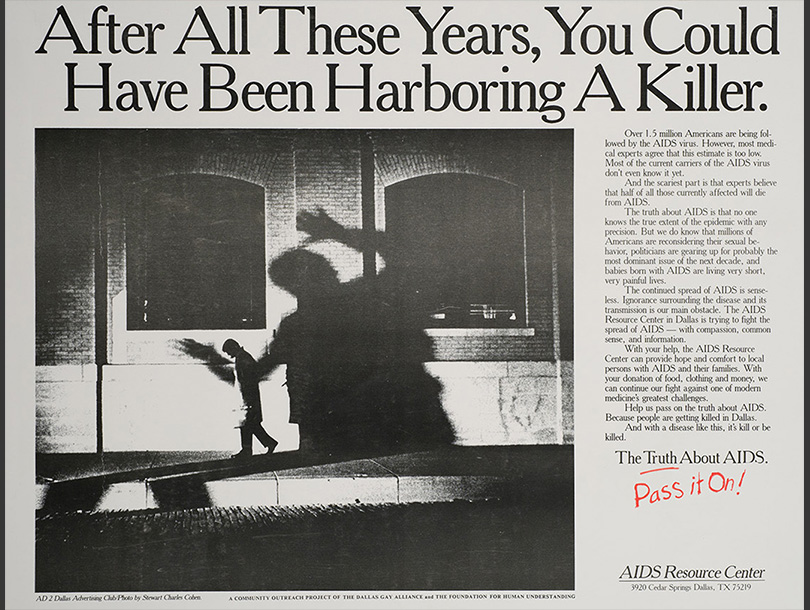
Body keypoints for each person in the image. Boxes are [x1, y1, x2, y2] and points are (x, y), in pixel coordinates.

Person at [222, 338, 279, 458]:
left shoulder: (243, 358)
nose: (229, 355)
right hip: (247, 396)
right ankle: (257, 446)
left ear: (233, 347)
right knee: (249, 424)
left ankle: (255, 447)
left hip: (248, 397)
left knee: (248, 424)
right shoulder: (243, 357)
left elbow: (249, 379)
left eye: (228, 352)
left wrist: (247, 398)